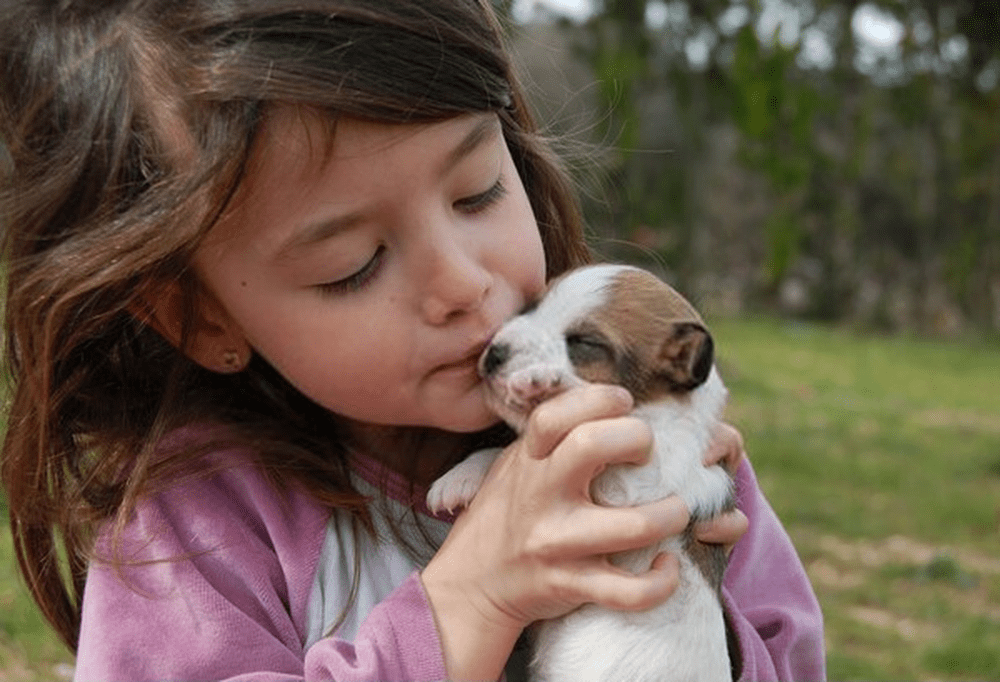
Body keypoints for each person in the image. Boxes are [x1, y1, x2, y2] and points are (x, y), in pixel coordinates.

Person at [0, 1, 825, 680]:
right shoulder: (191, 520)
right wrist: (466, 606)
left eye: (477, 192)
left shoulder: (658, 440)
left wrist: (687, 605)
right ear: (200, 317)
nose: (463, 282)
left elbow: (792, 657)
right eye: (353, 265)